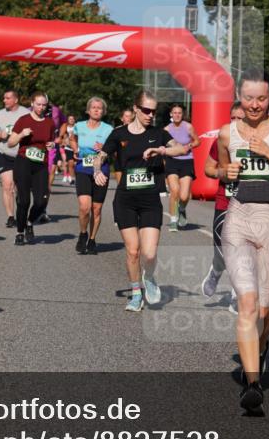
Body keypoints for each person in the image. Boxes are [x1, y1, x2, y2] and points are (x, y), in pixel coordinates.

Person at [217, 68, 269, 413]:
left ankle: (260, 347)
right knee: (247, 306)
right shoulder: (227, 133)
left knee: (263, 312)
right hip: (239, 219)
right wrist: (227, 172)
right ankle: (253, 385)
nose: (254, 105)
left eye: (261, 98)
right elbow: (222, 172)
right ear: (240, 97)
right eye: (248, 98)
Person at [93, 91, 190, 312]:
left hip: (150, 200)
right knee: (133, 251)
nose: (150, 115)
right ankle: (136, 294)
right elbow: (102, 155)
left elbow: (182, 148)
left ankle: (150, 276)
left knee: (149, 253)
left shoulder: (158, 133)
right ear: (136, 109)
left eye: (153, 111)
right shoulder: (118, 134)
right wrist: (98, 169)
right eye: (146, 110)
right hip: (125, 199)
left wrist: (161, 149)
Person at [201, 102, 245, 311]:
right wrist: (222, 173)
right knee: (222, 251)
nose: (237, 122)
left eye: (241, 118)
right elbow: (208, 169)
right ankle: (216, 270)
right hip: (224, 200)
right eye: (233, 118)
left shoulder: (256, 142)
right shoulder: (222, 140)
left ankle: (237, 295)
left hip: (247, 203)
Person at [7, 92, 56, 245]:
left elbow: (51, 141)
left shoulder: (49, 123)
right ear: (32, 104)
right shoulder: (23, 120)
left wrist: (52, 144)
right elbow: (10, 143)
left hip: (41, 163)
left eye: (43, 105)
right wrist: (21, 134)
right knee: (24, 201)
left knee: (42, 201)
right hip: (24, 162)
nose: (41, 107)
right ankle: (20, 232)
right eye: (38, 104)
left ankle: (29, 222)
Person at [70, 97, 113, 255]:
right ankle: (83, 234)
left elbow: (114, 147)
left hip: (101, 170)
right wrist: (75, 149)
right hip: (83, 168)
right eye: (93, 107)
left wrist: (104, 147)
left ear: (103, 111)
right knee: (84, 206)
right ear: (88, 110)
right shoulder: (79, 126)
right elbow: (72, 139)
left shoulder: (108, 129)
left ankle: (92, 239)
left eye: (99, 108)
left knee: (97, 208)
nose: (96, 110)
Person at [0, 90, 29, 229]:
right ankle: (11, 216)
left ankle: (21, 212)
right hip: (4, 154)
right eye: (4, 98)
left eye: (7, 98)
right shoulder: (0, 114)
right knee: (7, 185)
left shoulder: (25, 113)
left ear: (16, 100)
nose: (4, 100)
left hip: (21, 155)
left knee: (19, 188)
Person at [164, 103, 200, 231]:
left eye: (179, 113)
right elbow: (163, 145)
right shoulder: (167, 129)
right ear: (171, 114)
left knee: (184, 196)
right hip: (172, 161)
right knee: (174, 190)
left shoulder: (188, 126)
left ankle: (182, 209)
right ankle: (173, 220)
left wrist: (189, 146)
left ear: (182, 114)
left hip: (186, 161)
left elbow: (197, 141)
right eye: (175, 113)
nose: (177, 115)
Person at [60, 114, 77, 185]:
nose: (71, 120)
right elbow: (62, 135)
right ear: (68, 120)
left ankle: (77, 177)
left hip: (76, 148)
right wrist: (64, 141)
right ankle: (72, 179)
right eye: (70, 119)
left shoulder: (77, 127)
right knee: (70, 163)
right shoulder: (65, 127)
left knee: (76, 164)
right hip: (68, 148)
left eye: (73, 119)